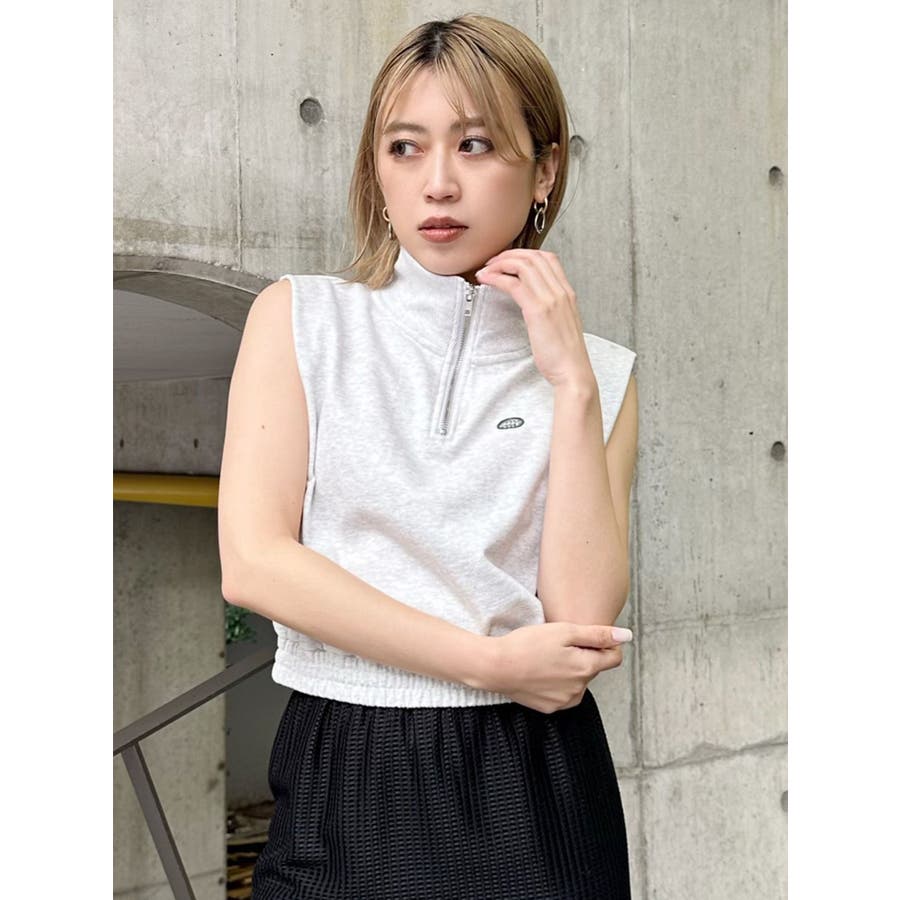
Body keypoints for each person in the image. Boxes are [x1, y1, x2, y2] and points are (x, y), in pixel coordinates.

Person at [218, 13, 638, 900]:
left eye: (475, 144)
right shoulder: (301, 319)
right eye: (404, 148)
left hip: (534, 781)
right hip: (343, 760)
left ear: (544, 169)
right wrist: (486, 661)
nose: (437, 183)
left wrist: (571, 387)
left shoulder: (601, 373)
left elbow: (581, 614)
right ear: (376, 169)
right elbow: (254, 562)